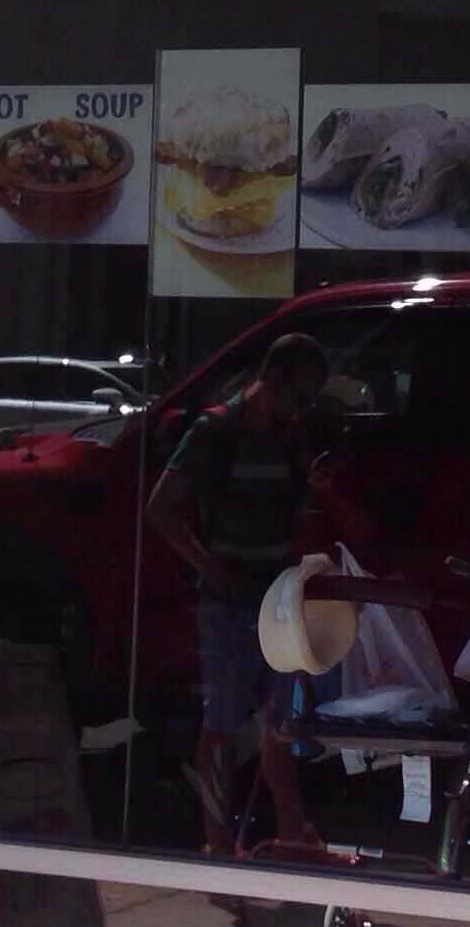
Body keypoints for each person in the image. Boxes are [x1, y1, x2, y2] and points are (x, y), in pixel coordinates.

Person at [147, 331, 354, 856]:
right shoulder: (217, 430)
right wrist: (209, 566)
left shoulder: (287, 437)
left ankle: (290, 827)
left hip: (276, 595)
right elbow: (162, 508)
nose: (303, 410)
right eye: (300, 396)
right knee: (221, 720)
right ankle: (217, 838)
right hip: (230, 595)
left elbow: (297, 507)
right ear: (273, 380)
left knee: (278, 719)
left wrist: (316, 488)